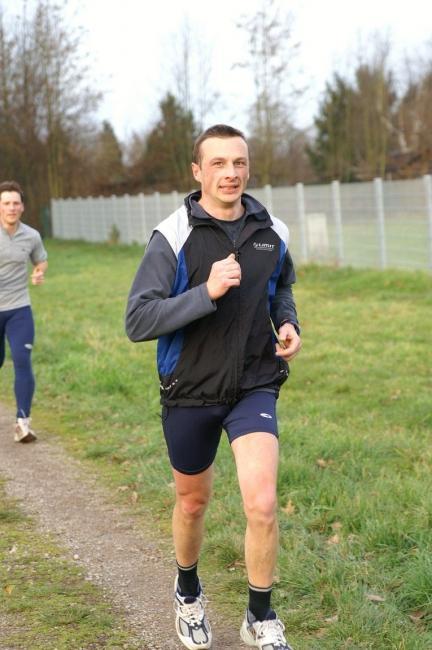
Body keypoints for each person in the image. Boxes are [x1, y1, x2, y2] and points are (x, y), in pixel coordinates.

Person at [125, 124, 301, 650]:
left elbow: (281, 287)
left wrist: (288, 322)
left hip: (253, 384)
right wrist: (206, 291)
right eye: (219, 163)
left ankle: (260, 616)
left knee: (263, 502)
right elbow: (138, 319)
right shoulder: (172, 235)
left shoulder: (272, 230)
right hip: (189, 388)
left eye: (240, 163)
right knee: (193, 502)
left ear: (248, 167)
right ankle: (187, 591)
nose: (231, 173)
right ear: (198, 171)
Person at [0, 180, 48, 442]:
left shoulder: (31, 235)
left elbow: (41, 260)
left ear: (22, 207)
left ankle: (22, 422)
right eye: (6, 203)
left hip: (19, 308)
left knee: (22, 358)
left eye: (15, 203)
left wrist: (39, 272)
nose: (11, 207)